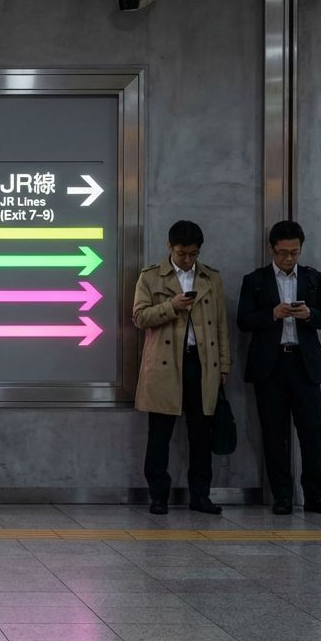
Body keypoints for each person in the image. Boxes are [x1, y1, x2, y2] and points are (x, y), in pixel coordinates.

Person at [238, 220, 321, 516]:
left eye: (294, 252)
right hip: (270, 366)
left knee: (312, 432)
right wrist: (272, 314)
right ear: (271, 249)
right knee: (274, 433)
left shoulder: (313, 278)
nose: (288, 258)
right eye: (283, 253)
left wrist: (309, 315)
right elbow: (243, 320)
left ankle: (315, 496)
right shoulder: (255, 279)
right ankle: (282, 496)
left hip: (304, 364)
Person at [132, 220, 230, 515]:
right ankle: (158, 496)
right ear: (169, 247)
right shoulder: (151, 277)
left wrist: (224, 365)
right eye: (182, 253)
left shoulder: (210, 278)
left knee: (201, 435)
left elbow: (222, 325)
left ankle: (200, 496)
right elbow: (139, 317)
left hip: (202, 365)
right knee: (159, 435)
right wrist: (171, 306)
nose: (187, 259)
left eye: (193, 254)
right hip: (164, 367)